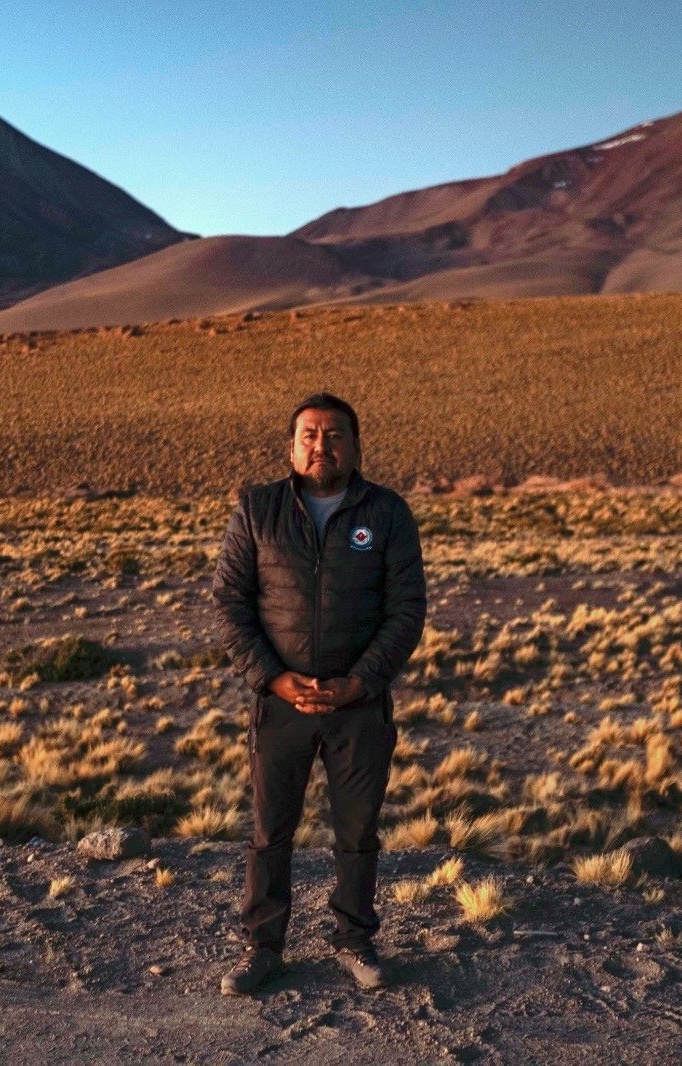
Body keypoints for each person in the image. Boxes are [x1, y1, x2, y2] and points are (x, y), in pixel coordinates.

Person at [212, 392, 426, 996]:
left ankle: (355, 941)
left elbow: (406, 609)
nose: (321, 445)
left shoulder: (386, 513)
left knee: (357, 831)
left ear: (355, 445)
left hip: (359, 706)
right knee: (270, 829)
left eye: (334, 435)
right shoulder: (258, 510)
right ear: (291, 445)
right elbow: (229, 603)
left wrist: (361, 680)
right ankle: (262, 947)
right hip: (280, 702)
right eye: (309, 434)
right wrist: (273, 678)